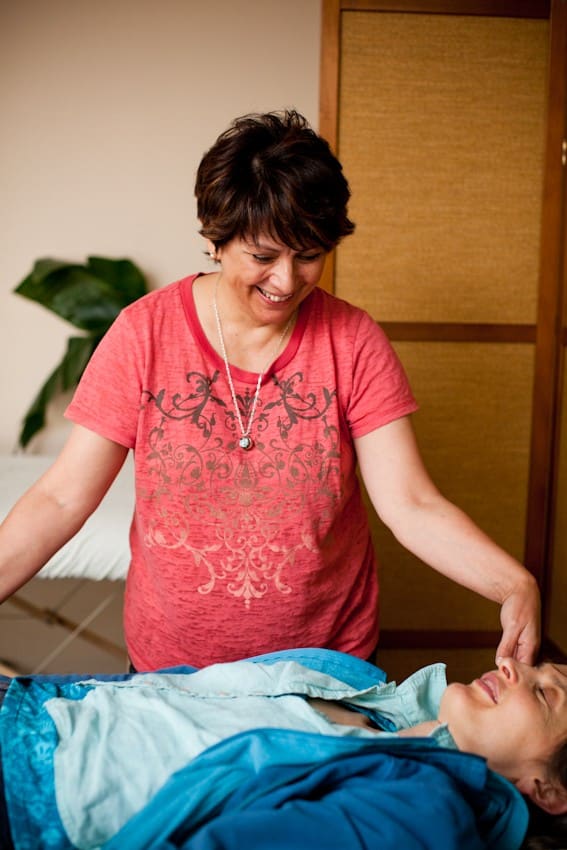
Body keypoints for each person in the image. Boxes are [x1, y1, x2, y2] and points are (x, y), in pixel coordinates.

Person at [0, 110, 540, 671]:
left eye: (309, 256)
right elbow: (61, 499)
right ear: (214, 239)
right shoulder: (144, 334)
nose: (286, 281)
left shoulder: (353, 341)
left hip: (326, 668)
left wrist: (513, 583)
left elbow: (411, 504)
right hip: (173, 672)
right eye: (263, 256)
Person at [0, 649, 566, 849]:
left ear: (548, 790)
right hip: (37, 710)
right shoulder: (357, 686)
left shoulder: (420, 813)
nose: (510, 665)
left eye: (544, 695)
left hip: (32, 794)